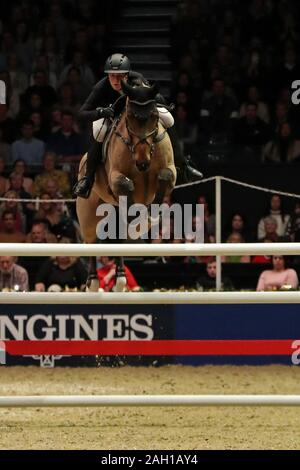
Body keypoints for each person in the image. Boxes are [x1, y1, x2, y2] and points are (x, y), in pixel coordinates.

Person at [73, 53, 203, 198]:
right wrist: (101, 112)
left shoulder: (137, 80)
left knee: (168, 118)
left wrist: (161, 104)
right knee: (99, 130)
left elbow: (151, 96)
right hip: (110, 116)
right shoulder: (101, 86)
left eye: (120, 76)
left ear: (127, 75)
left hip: (136, 116)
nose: (116, 80)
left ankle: (184, 166)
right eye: (112, 76)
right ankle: (88, 179)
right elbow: (81, 114)